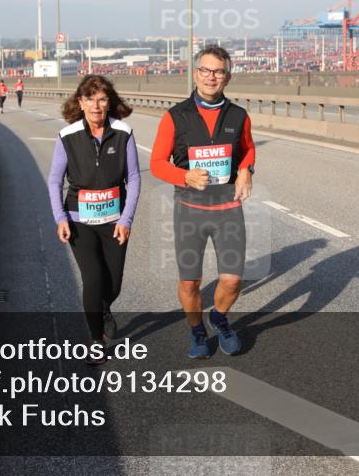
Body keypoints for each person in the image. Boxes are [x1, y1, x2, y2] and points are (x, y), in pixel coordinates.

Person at [150, 46, 255, 359]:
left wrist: (246, 170)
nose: (212, 77)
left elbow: (247, 150)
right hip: (189, 211)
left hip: (227, 210)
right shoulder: (175, 117)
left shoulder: (238, 115)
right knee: (190, 282)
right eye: (206, 71)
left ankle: (219, 318)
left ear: (228, 76)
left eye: (218, 71)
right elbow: (156, 162)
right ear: (195, 74)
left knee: (233, 281)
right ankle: (197, 331)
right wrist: (184, 177)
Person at [48, 75, 141, 366]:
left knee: (112, 285)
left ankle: (102, 309)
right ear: (80, 103)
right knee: (93, 278)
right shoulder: (67, 136)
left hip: (115, 221)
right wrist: (60, 218)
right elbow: (54, 180)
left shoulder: (123, 132)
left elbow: (134, 178)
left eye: (102, 99)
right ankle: (96, 340)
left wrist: (126, 220)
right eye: (90, 99)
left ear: (109, 102)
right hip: (79, 220)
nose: (96, 106)